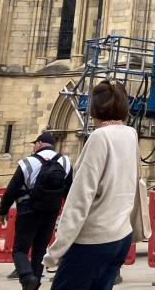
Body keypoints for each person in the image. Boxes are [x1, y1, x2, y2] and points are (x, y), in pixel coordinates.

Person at [44, 81, 144, 290]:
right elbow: (136, 182)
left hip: (93, 241)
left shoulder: (100, 137)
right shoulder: (130, 133)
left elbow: (80, 199)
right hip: (120, 237)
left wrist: (56, 251)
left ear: (94, 109)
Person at [0, 130, 73, 290]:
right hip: (51, 211)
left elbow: (12, 189)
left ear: (39, 144)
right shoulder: (65, 162)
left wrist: (2, 210)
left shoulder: (27, 162)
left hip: (28, 210)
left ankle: (26, 277)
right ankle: (34, 284)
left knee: (20, 250)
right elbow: (69, 191)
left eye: (35, 144)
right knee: (39, 251)